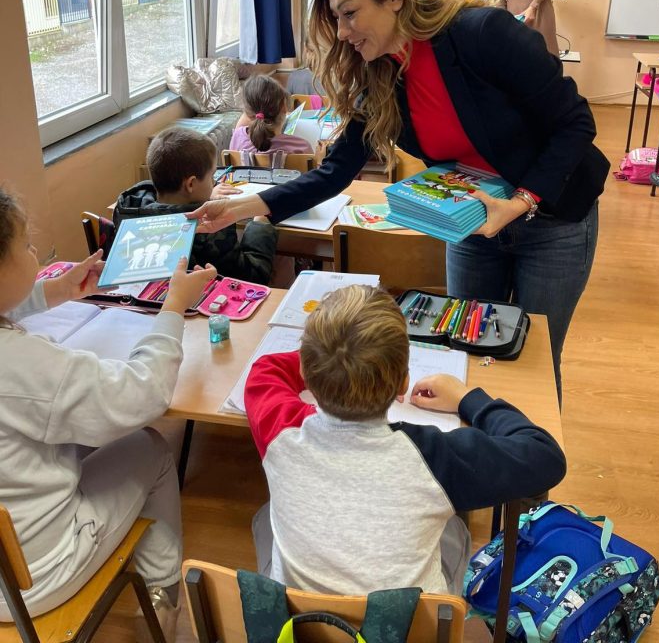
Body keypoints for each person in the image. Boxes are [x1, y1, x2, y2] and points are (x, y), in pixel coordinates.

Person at [187, 0, 610, 399]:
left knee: (532, 367)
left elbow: (575, 122)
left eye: (350, 13)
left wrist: (522, 201)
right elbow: (336, 171)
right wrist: (241, 208)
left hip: (551, 220)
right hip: (470, 223)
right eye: (336, 19)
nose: (342, 32)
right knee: (464, 354)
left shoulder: (483, 34)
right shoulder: (381, 73)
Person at [245, 284, 566, 596]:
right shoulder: (434, 456)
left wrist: (327, 357)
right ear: (403, 382)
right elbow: (545, 455)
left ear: (306, 370)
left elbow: (264, 370)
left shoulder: (282, 430)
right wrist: (467, 398)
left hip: (296, 620)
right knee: (454, 528)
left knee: (267, 518)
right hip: (406, 624)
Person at [0, 187, 216, 639]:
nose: (35, 252)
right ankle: (163, 597)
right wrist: (174, 306)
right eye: (27, 244)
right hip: (32, 577)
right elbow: (142, 395)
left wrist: (55, 291)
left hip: (10, 557)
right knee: (150, 446)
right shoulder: (18, 365)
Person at [115, 127, 277, 284]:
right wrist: (260, 225)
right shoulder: (208, 223)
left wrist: (202, 197)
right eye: (212, 176)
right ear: (191, 184)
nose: (214, 182)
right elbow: (251, 278)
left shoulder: (128, 208)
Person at [230, 74, 314, 161]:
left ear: (247, 112)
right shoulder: (301, 147)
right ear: (284, 107)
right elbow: (315, 169)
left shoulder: (237, 138)